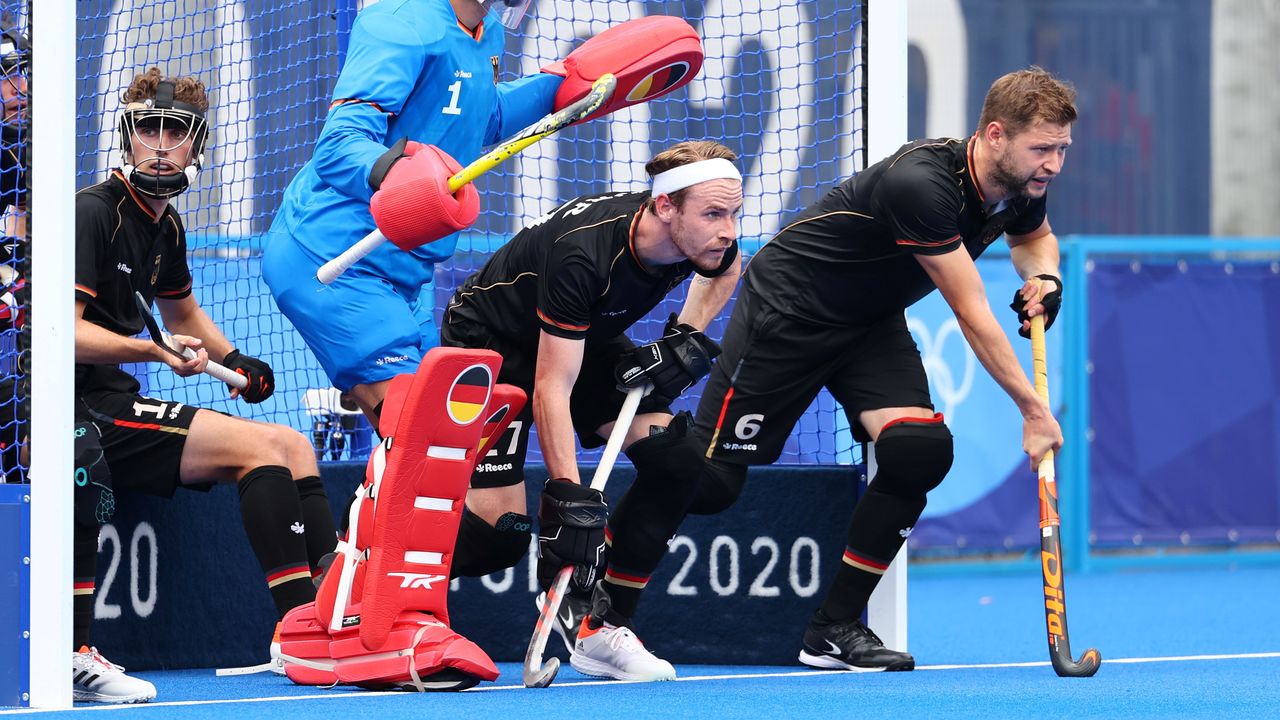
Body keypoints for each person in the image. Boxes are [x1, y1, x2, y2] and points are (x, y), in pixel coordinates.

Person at [596, 67, 1075, 675]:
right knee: (710, 482)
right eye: (1043, 148)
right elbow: (973, 312)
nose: (1054, 164)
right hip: (790, 310)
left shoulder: (1021, 183)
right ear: (996, 135)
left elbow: (1035, 240)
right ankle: (598, 601)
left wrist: (1048, 277)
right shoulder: (923, 185)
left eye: (1061, 148)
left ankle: (832, 629)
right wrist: (1034, 412)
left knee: (919, 451)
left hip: (870, 323)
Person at [73, 68, 338, 703]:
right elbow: (61, 334)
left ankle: (327, 627)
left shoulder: (166, 226)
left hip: (114, 396)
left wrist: (235, 358)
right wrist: (152, 351)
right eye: (147, 129)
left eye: (175, 132)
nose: (159, 145)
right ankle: (299, 634)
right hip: (73, 405)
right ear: (127, 137)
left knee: (291, 445)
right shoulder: (93, 213)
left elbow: (182, 313)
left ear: (198, 145)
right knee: (260, 449)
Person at [440, 140, 743, 681]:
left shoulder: (703, 242)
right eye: (714, 213)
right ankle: (370, 586)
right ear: (665, 207)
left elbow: (725, 267)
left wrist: (683, 339)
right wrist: (569, 501)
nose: (728, 229)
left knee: (678, 464)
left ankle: (596, 627)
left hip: (584, 336)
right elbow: (550, 385)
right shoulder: (586, 254)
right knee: (501, 534)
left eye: (734, 212)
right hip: (491, 344)